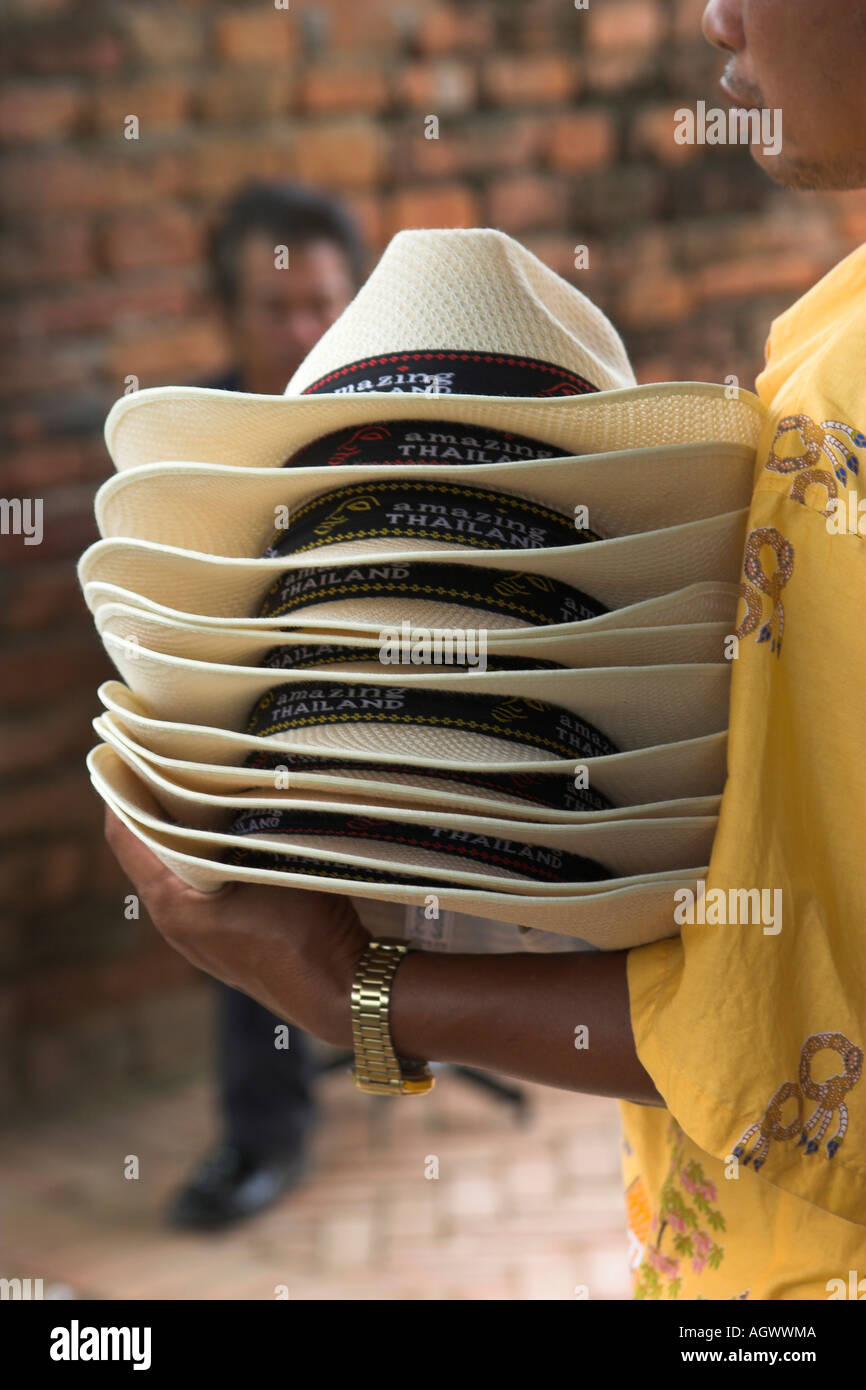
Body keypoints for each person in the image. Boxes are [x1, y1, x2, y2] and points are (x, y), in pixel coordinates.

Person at [111, 1, 866, 1294]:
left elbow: (795, 1035)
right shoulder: (827, 336)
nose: (715, 12)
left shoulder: (836, 407)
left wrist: (357, 988)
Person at [167, 183, 365, 1230]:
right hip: (250, 741)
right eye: (276, 308)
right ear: (226, 314)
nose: (303, 331)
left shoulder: (390, 436)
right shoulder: (183, 449)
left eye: (325, 307)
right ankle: (264, 1130)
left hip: (397, 724)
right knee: (237, 834)